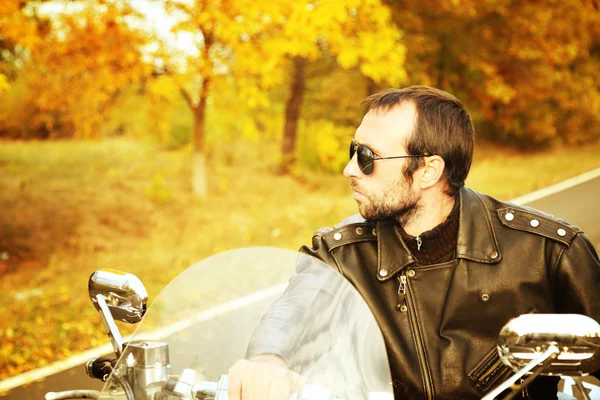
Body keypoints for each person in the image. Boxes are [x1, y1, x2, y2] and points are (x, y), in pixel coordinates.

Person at [228, 86, 600, 399]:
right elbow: (296, 308)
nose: (350, 169)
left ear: (428, 171)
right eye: (352, 150)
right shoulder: (342, 254)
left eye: (367, 157)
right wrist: (267, 360)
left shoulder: (548, 251)